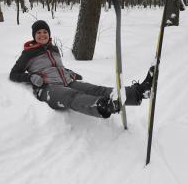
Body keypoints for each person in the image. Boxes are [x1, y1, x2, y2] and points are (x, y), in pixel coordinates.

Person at [9, 20, 154, 118]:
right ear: (34, 36)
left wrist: (69, 73)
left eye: (45, 32)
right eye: (39, 32)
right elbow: (14, 74)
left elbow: (56, 67)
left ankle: (138, 92)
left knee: (97, 89)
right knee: (72, 95)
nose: (42, 35)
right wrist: (31, 78)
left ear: (49, 34)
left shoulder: (54, 49)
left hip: (66, 81)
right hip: (47, 88)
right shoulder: (28, 53)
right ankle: (102, 106)